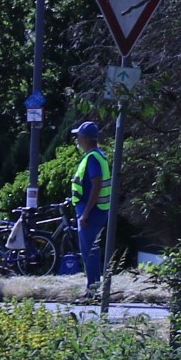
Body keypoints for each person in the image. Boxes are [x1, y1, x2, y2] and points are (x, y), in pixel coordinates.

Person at [72, 119, 113, 287]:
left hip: (91, 212)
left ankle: (93, 289)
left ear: (85, 138)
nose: (77, 140)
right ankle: (94, 287)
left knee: (89, 252)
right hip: (98, 210)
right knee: (91, 250)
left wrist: (85, 213)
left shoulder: (92, 158)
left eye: (78, 136)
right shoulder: (98, 155)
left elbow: (96, 184)